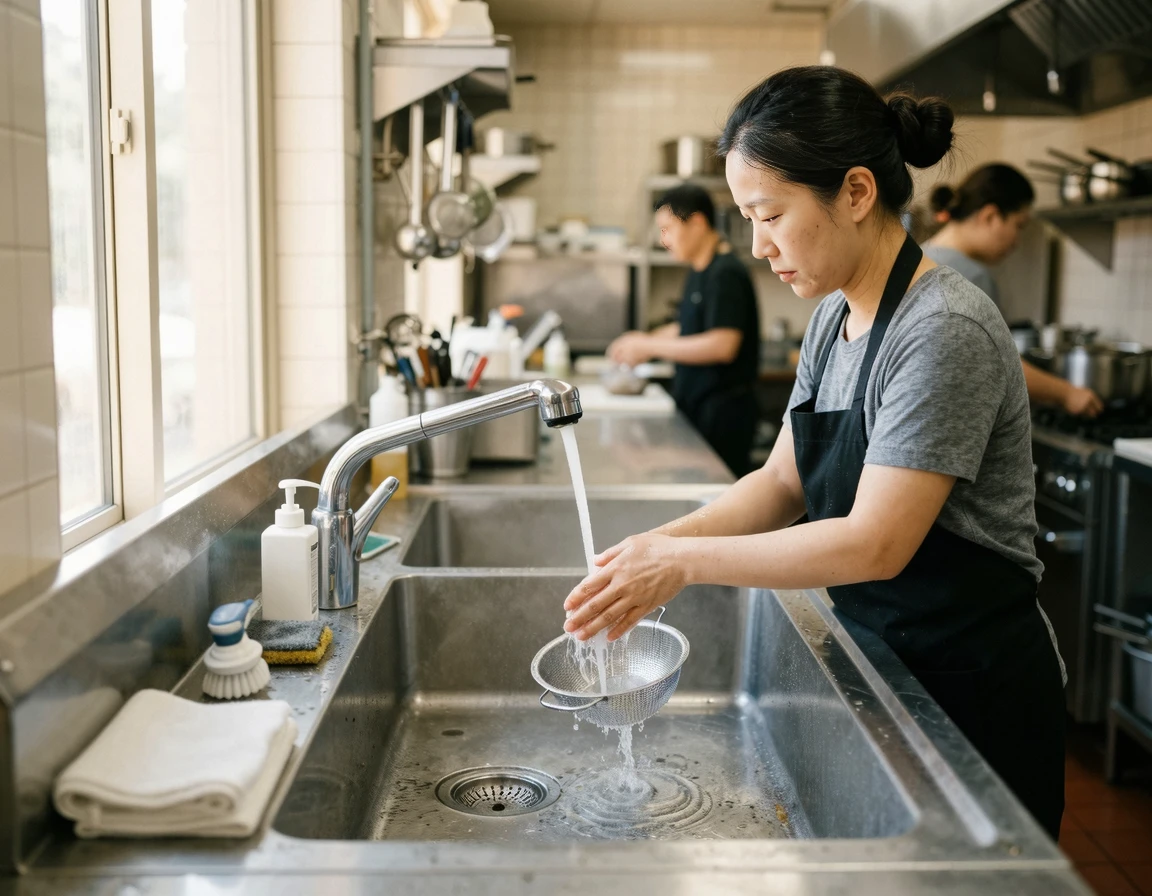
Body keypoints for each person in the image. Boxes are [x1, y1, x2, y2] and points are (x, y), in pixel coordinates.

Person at [565, 66, 1066, 841]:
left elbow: (877, 541)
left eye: (769, 214)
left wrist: (684, 566)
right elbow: (779, 481)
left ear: (857, 193)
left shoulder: (942, 329)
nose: (759, 245)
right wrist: (657, 543)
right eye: (745, 218)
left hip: (973, 693)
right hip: (889, 668)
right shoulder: (833, 319)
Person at [925, 165, 1103, 418]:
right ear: (990, 216)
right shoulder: (969, 276)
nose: (1017, 241)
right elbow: (1000, 364)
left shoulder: (919, 257)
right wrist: (1068, 393)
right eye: (1019, 225)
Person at [606, 184, 760, 476]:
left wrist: (650, 348)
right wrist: (642, 340)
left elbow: (722, 344)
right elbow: (689, 327)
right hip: (697, 404)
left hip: (723, 413)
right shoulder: (699, 270)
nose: (665, 240)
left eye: (668, 229)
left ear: (698, 223)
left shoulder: (726, 273)